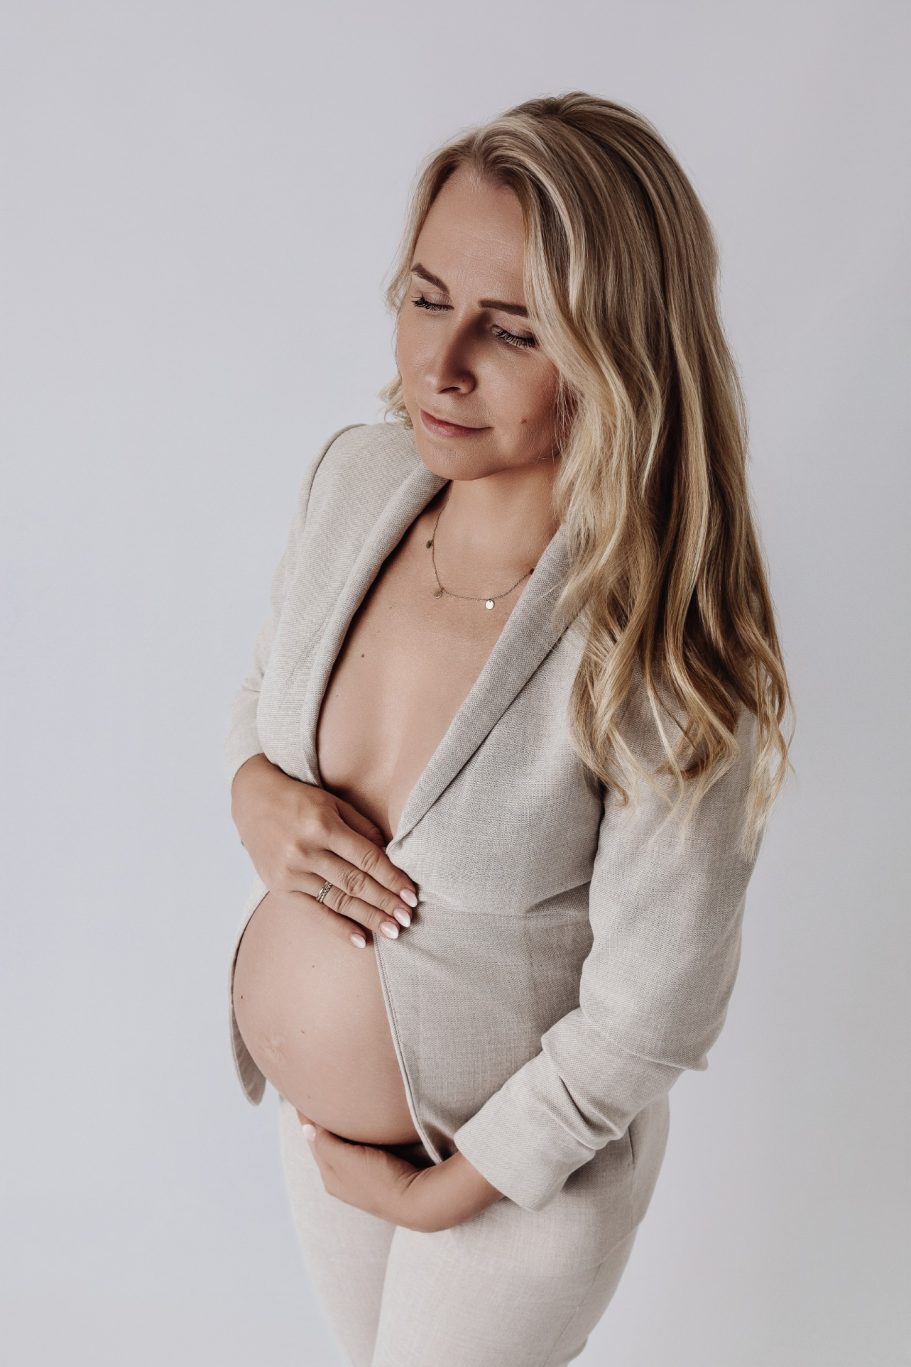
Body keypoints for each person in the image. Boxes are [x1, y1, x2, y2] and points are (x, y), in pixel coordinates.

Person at [224, 91, 794, 1367]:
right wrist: (252, 788)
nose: (440, 364)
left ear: (614, 350)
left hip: (507, 1186)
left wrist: (447, 1190)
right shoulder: (356, 479)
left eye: (511, 329)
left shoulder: (655, 642)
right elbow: (264, 695)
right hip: (326, 1144)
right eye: (425, 297)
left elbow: (650, 1011)